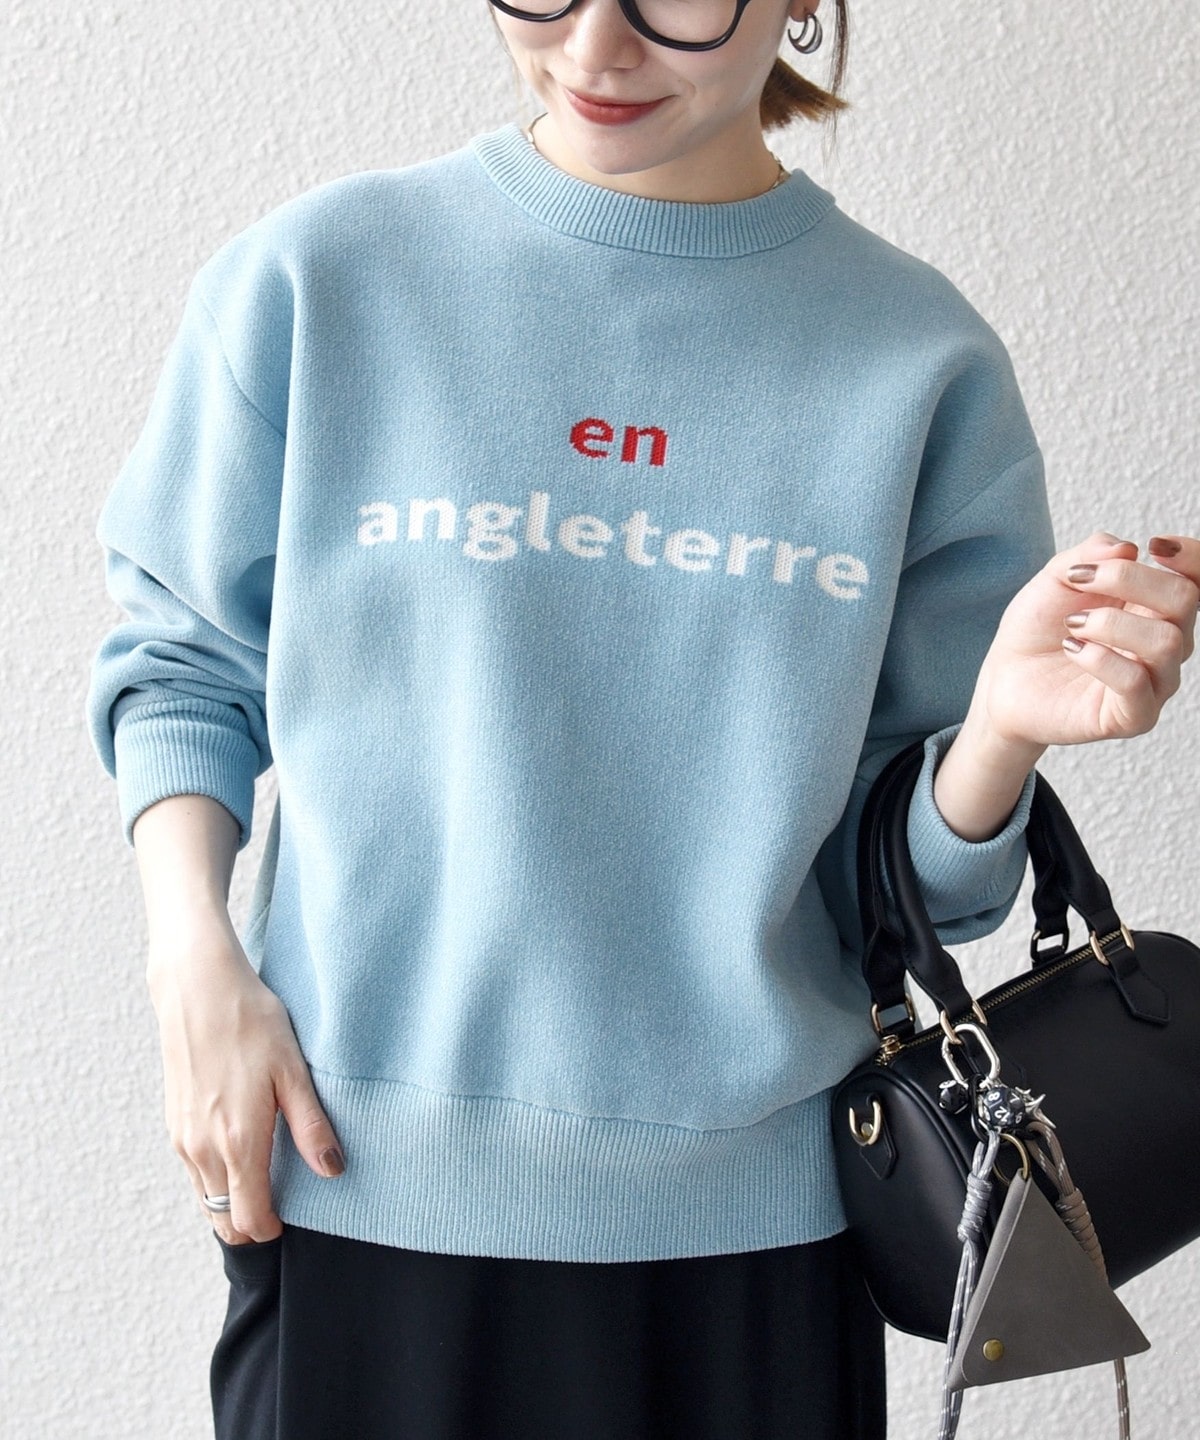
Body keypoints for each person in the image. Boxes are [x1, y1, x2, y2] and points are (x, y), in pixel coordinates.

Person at [85, 1, 1199, 1436]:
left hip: (755, 1253)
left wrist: (997, 738)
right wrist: (193, 962)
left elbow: (914, 896)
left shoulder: (918, 360)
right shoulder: (324, 280)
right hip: (358, 1195)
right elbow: (183, 665)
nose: (596, 46)